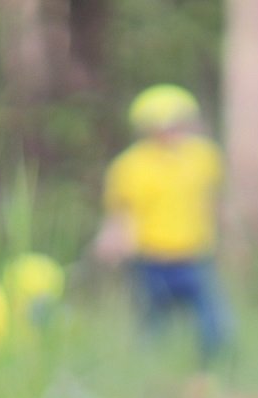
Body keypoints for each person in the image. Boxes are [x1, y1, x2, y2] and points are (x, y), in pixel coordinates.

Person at [95, 84, 229, 361]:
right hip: (150, 255)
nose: (170, 132)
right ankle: (148, 375)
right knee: (152, 323)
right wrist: (111, 241)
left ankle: (214, 371)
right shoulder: (129, 166)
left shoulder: (205, 157)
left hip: (195, 252)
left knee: (213, 322)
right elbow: (119, 213)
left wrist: (228, 235)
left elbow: (214, 200)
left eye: (176, 124)